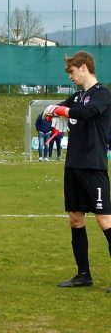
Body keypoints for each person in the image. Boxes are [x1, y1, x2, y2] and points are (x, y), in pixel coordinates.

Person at [42, 51, 111, 291]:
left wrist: (62, 111)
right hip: (73, 166)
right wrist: (49, 112)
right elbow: (55, 113)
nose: (70, 77)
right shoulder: (77, 97)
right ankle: (83, 275)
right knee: (75, 220)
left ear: (83, 67)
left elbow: (86, 113)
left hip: (94, 166)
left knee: (105, 220)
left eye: (71, 71)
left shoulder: (102, 94)